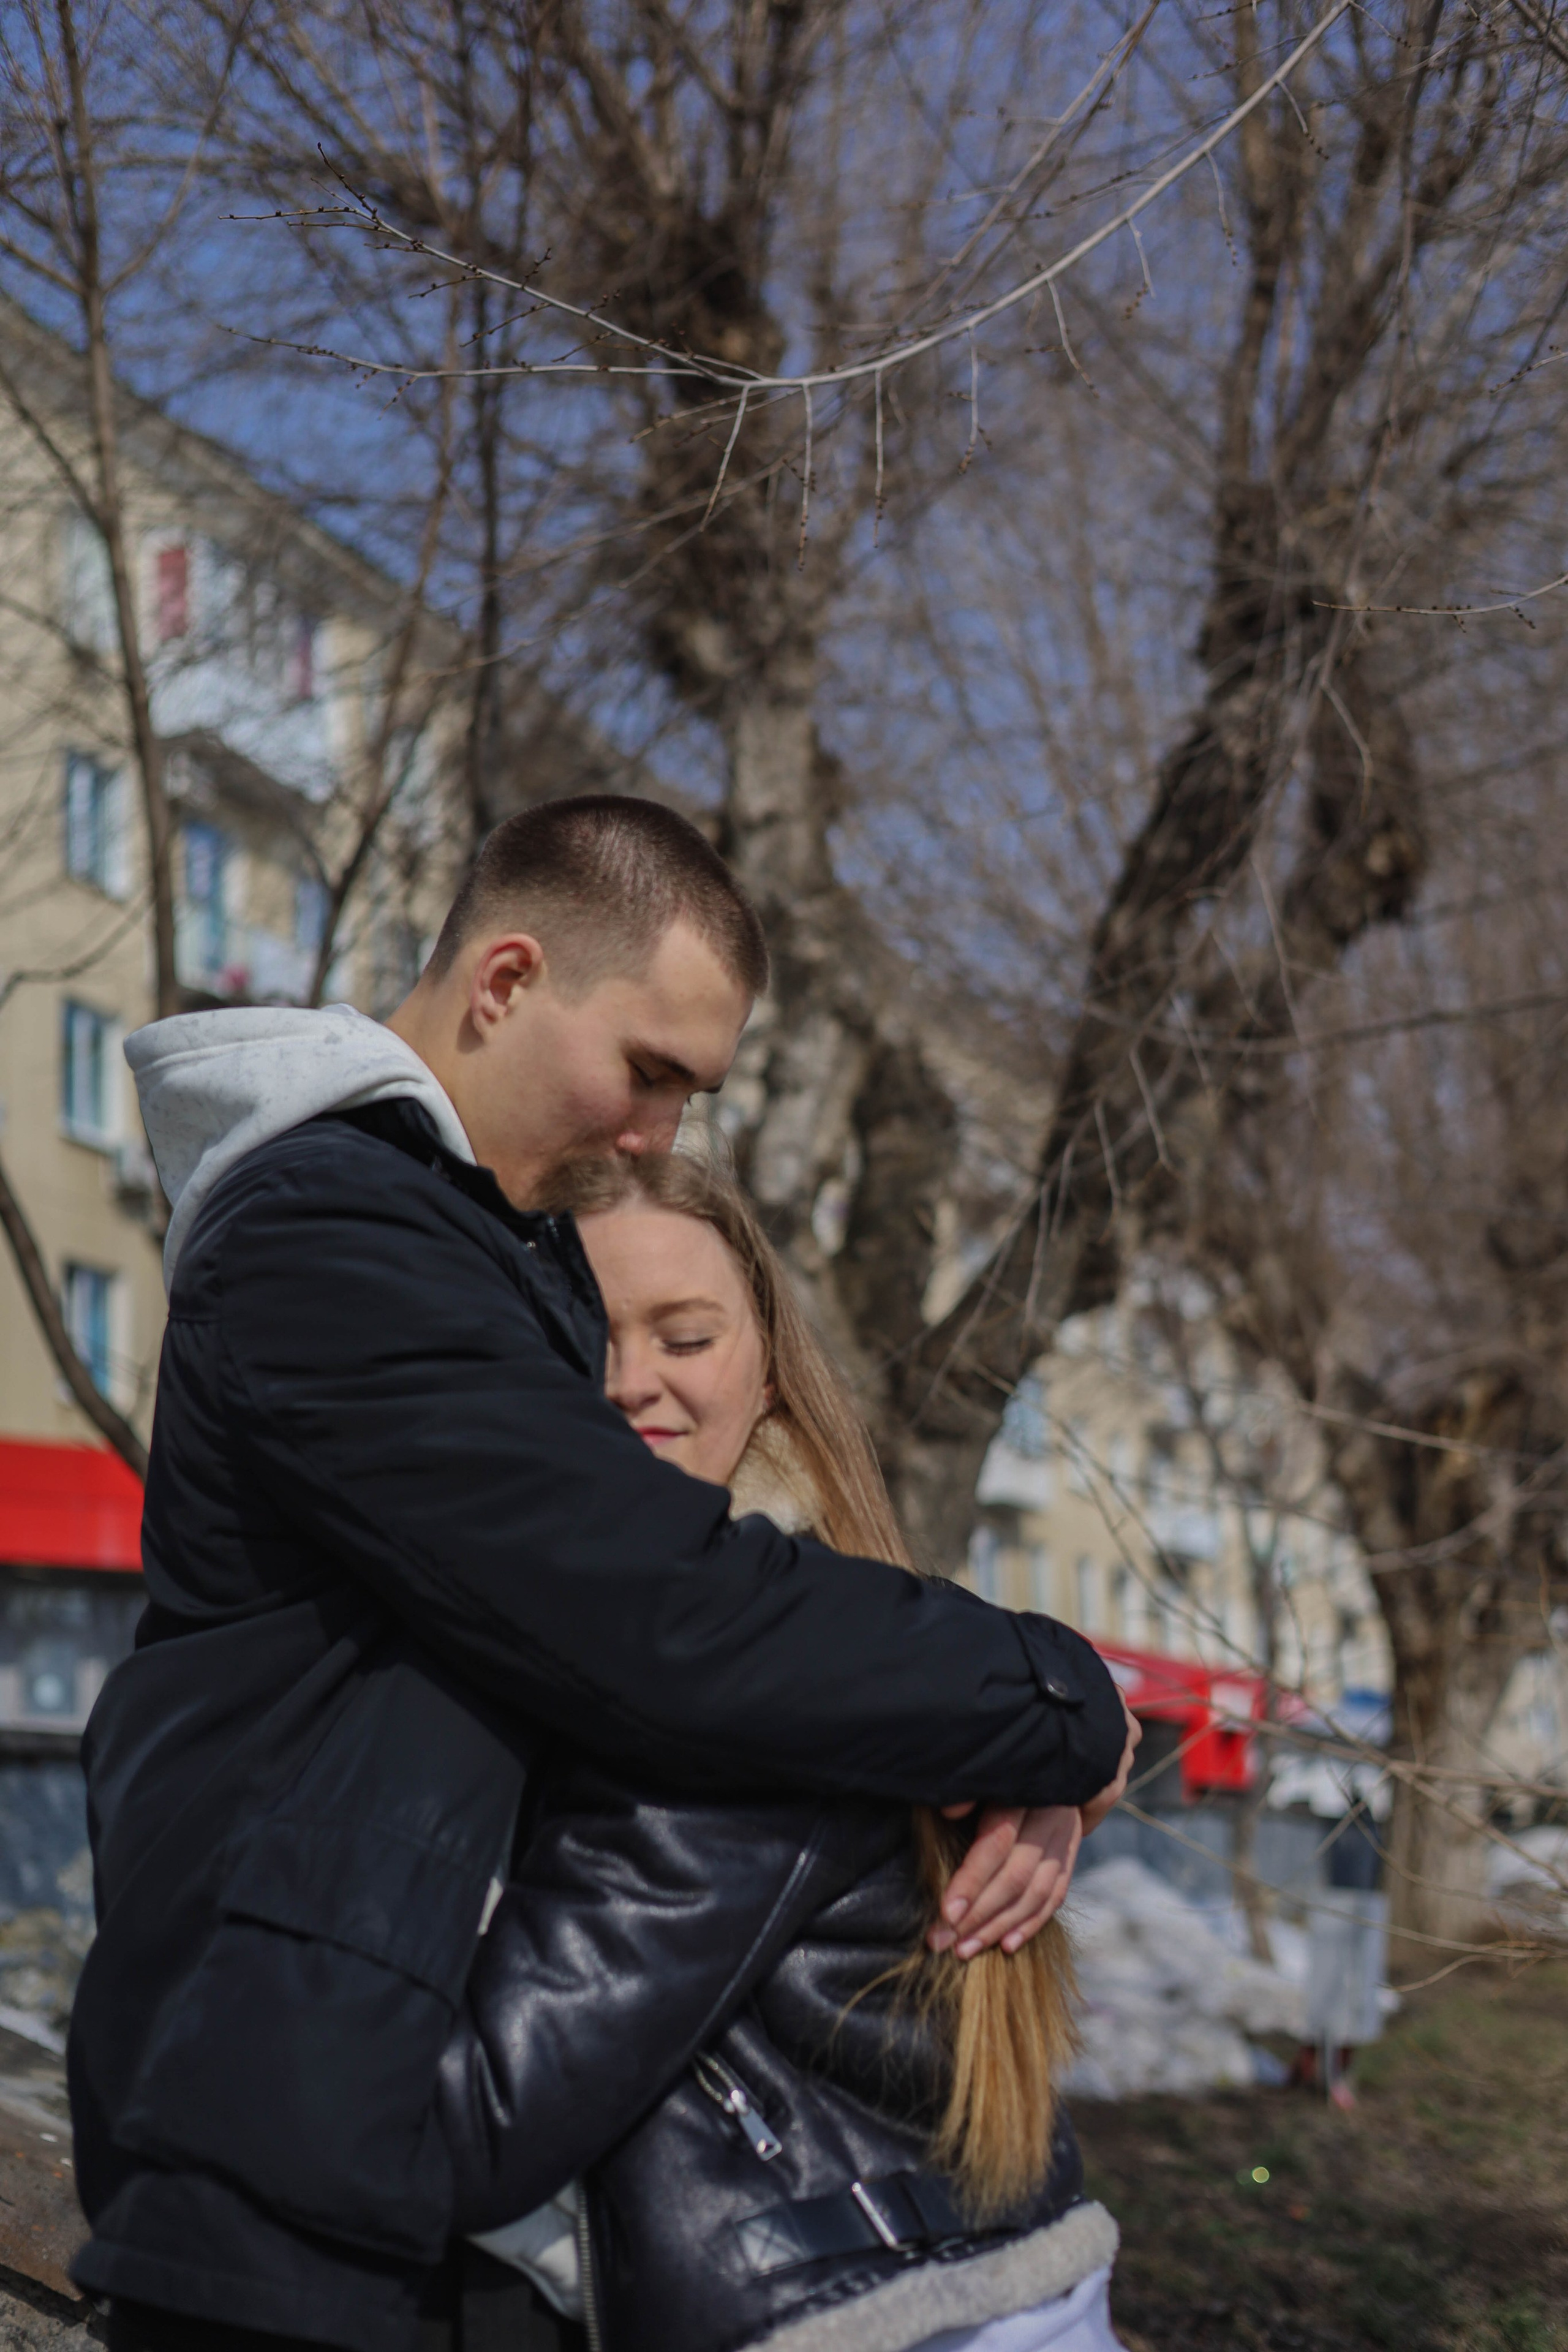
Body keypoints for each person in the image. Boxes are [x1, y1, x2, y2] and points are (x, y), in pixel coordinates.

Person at [70, 797, 1132, 2352]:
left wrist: (994, 1738)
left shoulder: (476, 1248)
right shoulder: (334, 1237)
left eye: (688, 1096)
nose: (655, 1137)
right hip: (290, 2178)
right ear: (503, 982)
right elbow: (669, 1618)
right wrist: (1056, 1700)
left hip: (348, 2184)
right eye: (648, 1073)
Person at [438, 1150, 1134, 2352]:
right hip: (956, 2269)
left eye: (685, 1337)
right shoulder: (856, 1621)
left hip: (872, 2315)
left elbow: (483, 2118)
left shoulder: (745, 1681)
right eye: (588, 1338)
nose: (628, 1382)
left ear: (766, 1377)